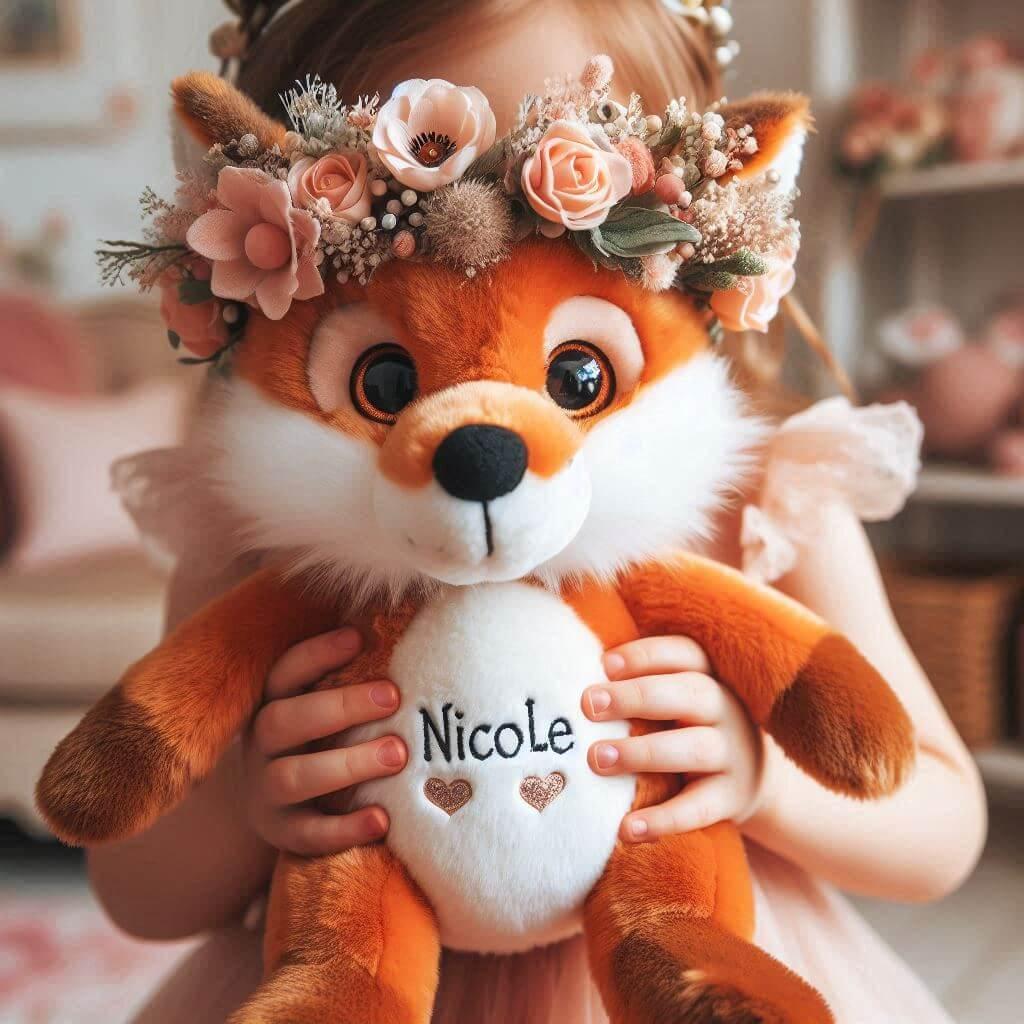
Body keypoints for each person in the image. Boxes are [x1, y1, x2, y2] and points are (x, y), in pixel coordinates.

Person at [88, 2, 986, 1021]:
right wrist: (250, 807)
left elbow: (942, 824)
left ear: (688, 241)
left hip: (693, 964)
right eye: (407, 229)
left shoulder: (766, 500)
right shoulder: (260, 535)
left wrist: (761, 778)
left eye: (556, 227)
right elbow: (133, 887)